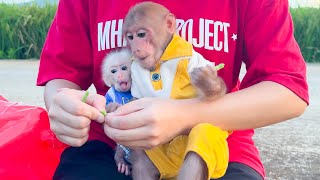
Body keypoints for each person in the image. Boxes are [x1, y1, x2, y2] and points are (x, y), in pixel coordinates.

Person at [37, 0, 309, 179]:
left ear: (169, 25)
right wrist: (63, 104)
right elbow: (60, 80)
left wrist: (185, 116)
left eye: (141, 35)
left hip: (218, 142)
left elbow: (288, 90)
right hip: (112, 143)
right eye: (129, 37)